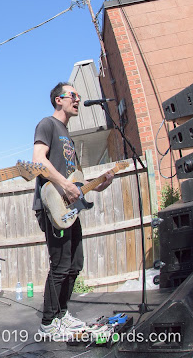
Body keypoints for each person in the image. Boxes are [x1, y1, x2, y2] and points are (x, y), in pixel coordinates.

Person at [32, 82, 113, 338]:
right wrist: (65, 185)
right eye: (73, 95)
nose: (78, 99)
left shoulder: (68, 136)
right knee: (60, 264)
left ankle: (61, 314)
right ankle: (47, 324)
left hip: (70, 206)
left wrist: (99, 184)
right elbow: (38, 160)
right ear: (59, 99)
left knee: (75, 263)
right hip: (52, 205)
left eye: (79, 95)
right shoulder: (47, 124)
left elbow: (79, 184)